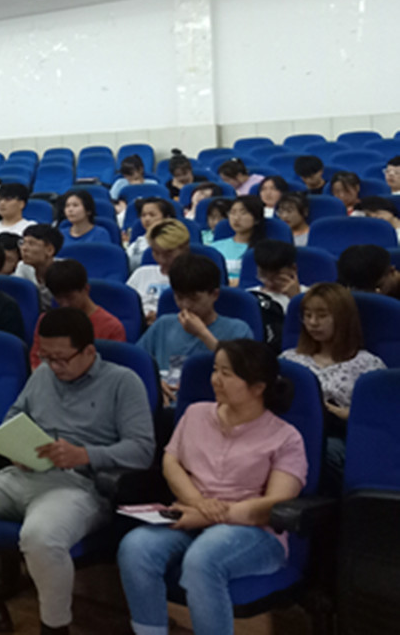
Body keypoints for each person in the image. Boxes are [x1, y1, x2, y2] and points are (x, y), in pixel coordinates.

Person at [0, 307, 155, 635]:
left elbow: (142, 450)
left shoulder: (123, 382)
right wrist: (16, 446)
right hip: (21, 476)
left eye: (61, 358)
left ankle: (55, 627)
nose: (53, 366)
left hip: (78, 487)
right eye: (46, 356)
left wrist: (84, 455)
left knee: (39, 536)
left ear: (88, 351)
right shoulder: (43, 375)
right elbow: (15, 415)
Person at [117, 340, 306, 635]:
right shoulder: (195, 413)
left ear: (258, 387)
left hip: (254, 532)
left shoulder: (286, 437)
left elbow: (275, 505)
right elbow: (171, 462)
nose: (215, 379)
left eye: (226, 374)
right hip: (191, 515)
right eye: (215, 370)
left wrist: (207, 515)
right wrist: (197, 502)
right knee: (135, 547)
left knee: (203, 558)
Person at [281, 282, 384, 488]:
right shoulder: (288, 360)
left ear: (342, 319)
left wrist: (338, 412)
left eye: (322, 315)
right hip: (287, 430)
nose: (313, 322)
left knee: (320, 449)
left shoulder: (368, 364)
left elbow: (379, 420)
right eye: (307, 315)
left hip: (338, 436)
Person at [138, 253, 253, 403]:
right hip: (167, 403)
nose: (185, 305)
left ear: (214, 294)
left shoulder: (238, 329)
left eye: (194, 299)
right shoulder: (163, 324)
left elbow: (247, 373)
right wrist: (153, 382)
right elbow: (136, 363)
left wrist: (204, 334)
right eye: (179, 297)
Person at [29, 260, 125, 367]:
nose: (65, 304)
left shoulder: (111, 327)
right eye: (58, 298)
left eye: (70, 297)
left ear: (86, 289)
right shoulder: (46, 322)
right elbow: (36, 361)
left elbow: (113, 369)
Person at [126, 218, 191, 320]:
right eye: (156, 252)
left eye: (168, 254)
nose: (161, 259)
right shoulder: (141, 273)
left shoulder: (195, 279)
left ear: (184, 249)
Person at [245, 240, 300, 350]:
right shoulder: (248, 295)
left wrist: (296, 298)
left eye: (276, 276)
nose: (269, 283)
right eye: (263, 275)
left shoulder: (308, 296)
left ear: (293, 269)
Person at [207, 195, 266, 286]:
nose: (236, 218)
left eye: (243, 213)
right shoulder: (215, 247)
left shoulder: (263, 250)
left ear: (256, 219)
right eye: (233, 212)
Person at [14, 224, 62, 310]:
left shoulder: (65, 270)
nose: (24, 248)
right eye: (23, 242)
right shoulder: (23, 267)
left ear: (49, 250)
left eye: (31, 244)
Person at [126, 197, 176, 272]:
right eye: (143, 215)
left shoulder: (176, 242)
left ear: (167, 218)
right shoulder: (137, 244)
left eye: (152, 215)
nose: (147, 219)